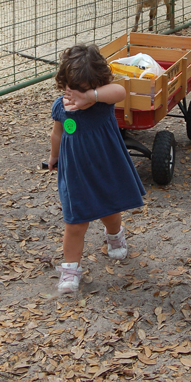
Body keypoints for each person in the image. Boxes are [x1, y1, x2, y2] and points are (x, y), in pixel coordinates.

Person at [48, 44, 145, 294]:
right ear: (64, 84)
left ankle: (115, 235)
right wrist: (54, 156)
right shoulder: (62, 107)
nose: (79, 95)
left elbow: (120, 90)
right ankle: (70, 270)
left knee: (109, 210)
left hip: (104, 168)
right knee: (75, 222)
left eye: (86, 89)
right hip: (76, 174)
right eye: (74, 89)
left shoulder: (103, 103)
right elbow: (57, 133)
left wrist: (92, 97)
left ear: (97, 85)